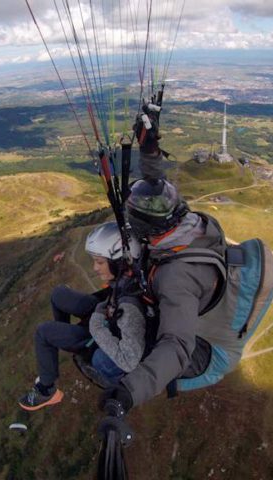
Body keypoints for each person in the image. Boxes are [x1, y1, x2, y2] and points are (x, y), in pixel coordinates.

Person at [99, 117, 226, 413]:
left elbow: (178, 345)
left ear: (144, 229)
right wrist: (149, 150)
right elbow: (156, 185)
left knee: (102, 359)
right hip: (176, 287)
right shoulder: (188, 223)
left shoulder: (175, 278)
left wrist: (128, 392)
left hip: (185, 335)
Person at [18, 221, 146, 411]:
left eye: (100, 262)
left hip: (106, 335)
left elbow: (128, 360)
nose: (95, 268)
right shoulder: (128, 276)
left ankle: (46, 389)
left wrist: (96, 324)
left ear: (119, 262)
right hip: (108, 315)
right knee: (58, 294)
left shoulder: (129, 308)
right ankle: (66, 338)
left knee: (43, 332)